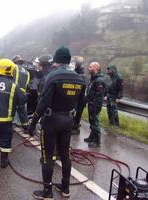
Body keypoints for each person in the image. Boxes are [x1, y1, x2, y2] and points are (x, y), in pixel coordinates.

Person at [28, 46, 86, 199]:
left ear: (57, 60)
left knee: (48, 156)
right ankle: (65, 188)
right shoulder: (79, 79)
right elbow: (82, 104)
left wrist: (33, 123)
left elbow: (43, 103)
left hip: (51, 121)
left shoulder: (53, 77)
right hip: (68, 121)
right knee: (65, 155)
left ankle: (47, 191)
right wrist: (76, 123)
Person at [84, 62, 105, 147]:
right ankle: (91, 137)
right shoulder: (93, 79)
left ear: (96, 68)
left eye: (90, 67)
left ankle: (97, 141)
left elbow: (99, 95)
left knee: (95, 122)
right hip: (91, 103)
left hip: (95, 104)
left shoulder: (99, 80)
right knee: (91, 121)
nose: (89, 68)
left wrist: (94, 105)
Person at [11, 55, 30, 132]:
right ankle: (26, 128)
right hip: (23, 93)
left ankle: (9, 126)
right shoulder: (27, 72)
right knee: (22, 111)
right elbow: (27, 85)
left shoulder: (14, 68)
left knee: (10, 109)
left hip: (14, 91)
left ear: (14, 62)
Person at [69, 56, 86, 135]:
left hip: (79, 99)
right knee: (74, 113)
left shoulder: (81, 75)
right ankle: (73, 126)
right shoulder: (78, 73)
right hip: (77, 98)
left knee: (77, 114)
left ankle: (76, 128)